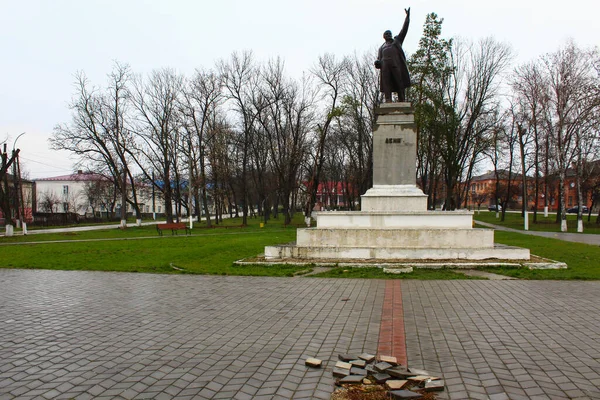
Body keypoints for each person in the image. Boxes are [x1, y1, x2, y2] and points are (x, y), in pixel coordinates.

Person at [375, 7, 411, 103]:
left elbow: (404, 30)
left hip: (396, 65)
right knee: (387, 83)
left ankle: (402, 99)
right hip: (385, 67)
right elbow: (379, 60)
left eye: (389, 33)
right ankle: (388, 100)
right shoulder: (381, 48)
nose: (388, 34)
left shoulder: (397, 42)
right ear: (384, 36)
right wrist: (377, 63)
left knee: (399, 82)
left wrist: (407, 17)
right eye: (386, 33)